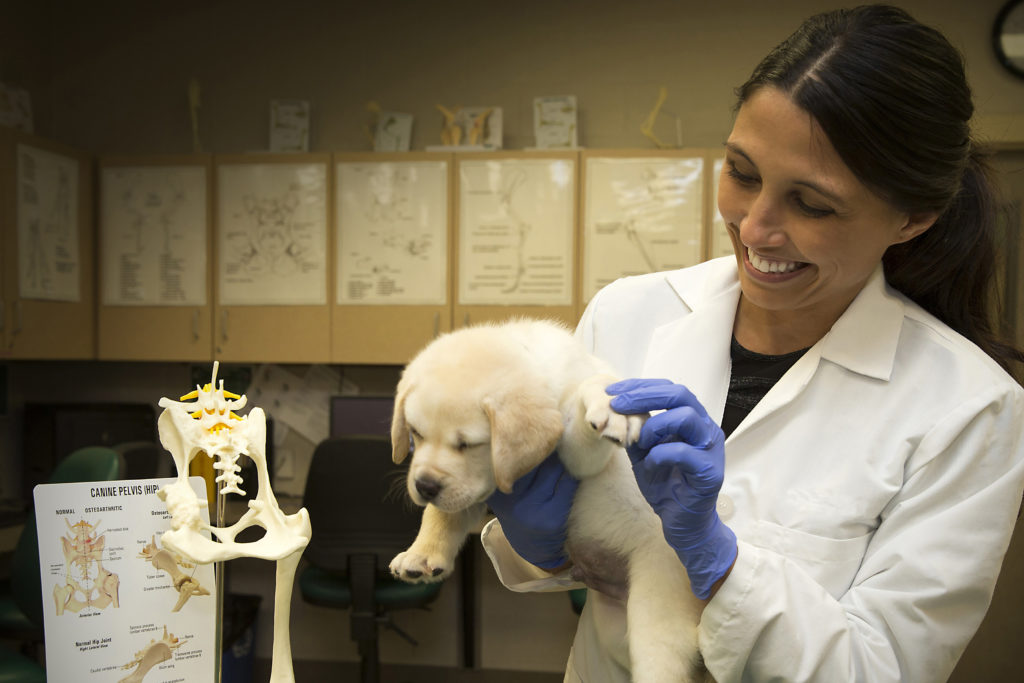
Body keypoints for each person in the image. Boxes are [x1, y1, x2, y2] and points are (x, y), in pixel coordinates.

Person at [480, 5, 1024, 682]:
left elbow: (884, 667)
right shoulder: (630, 313)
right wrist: (543, 544)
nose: (756, 227)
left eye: (812, 204)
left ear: (911, 219)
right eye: (741, 172)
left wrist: (718, 558)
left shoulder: (971, 408)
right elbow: (571, 572)